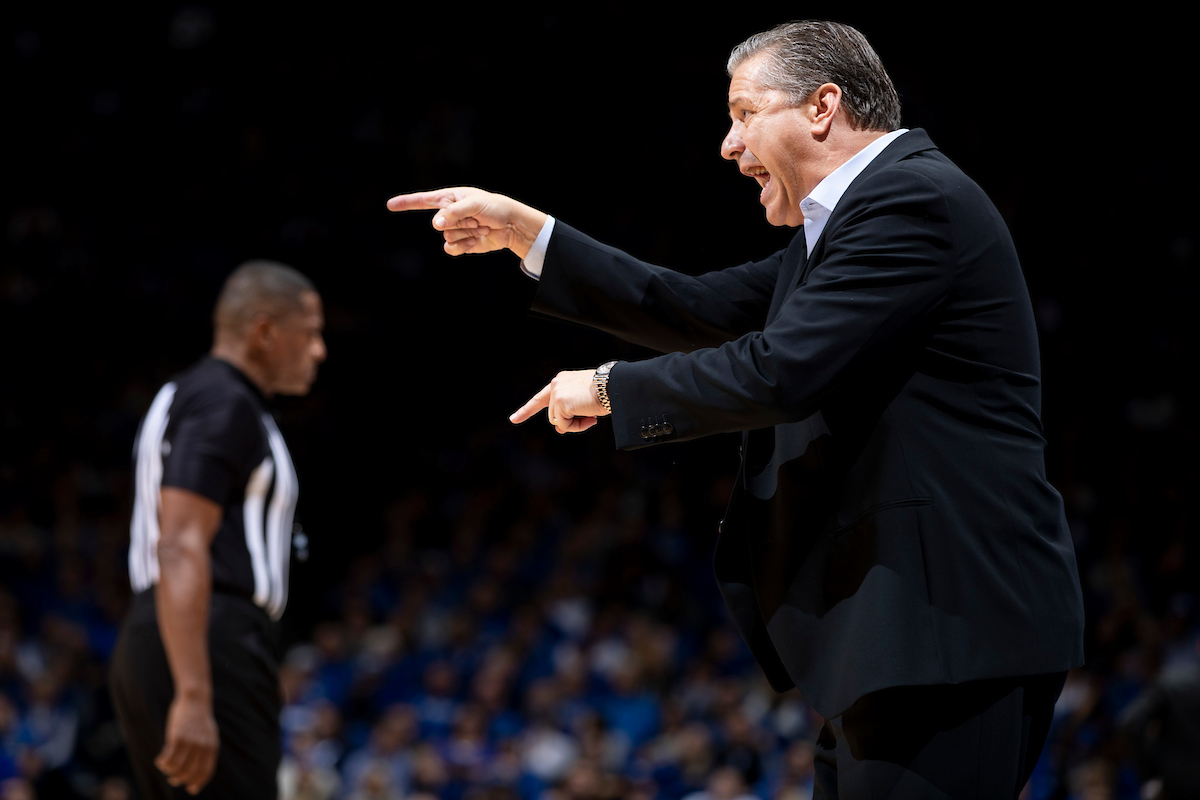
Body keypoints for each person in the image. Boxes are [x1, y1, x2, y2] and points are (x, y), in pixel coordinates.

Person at [388, 20, 1085, 798]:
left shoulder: (912, 201)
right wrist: (527, 233)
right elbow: (694, 307)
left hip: (950, 630)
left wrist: (612, 388)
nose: (728, 145)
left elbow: (781, 372)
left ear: (822, 106)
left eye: (745, 114)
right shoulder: (849, 227)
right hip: (907, 641)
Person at [109, 260, 327, 798]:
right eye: (309, 333)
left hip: (167, 630)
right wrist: (194, 693)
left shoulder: (186, 393)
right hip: (207, 637)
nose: (319, 350)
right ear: (263, 332)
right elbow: (180, 544)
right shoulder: (224, 400)